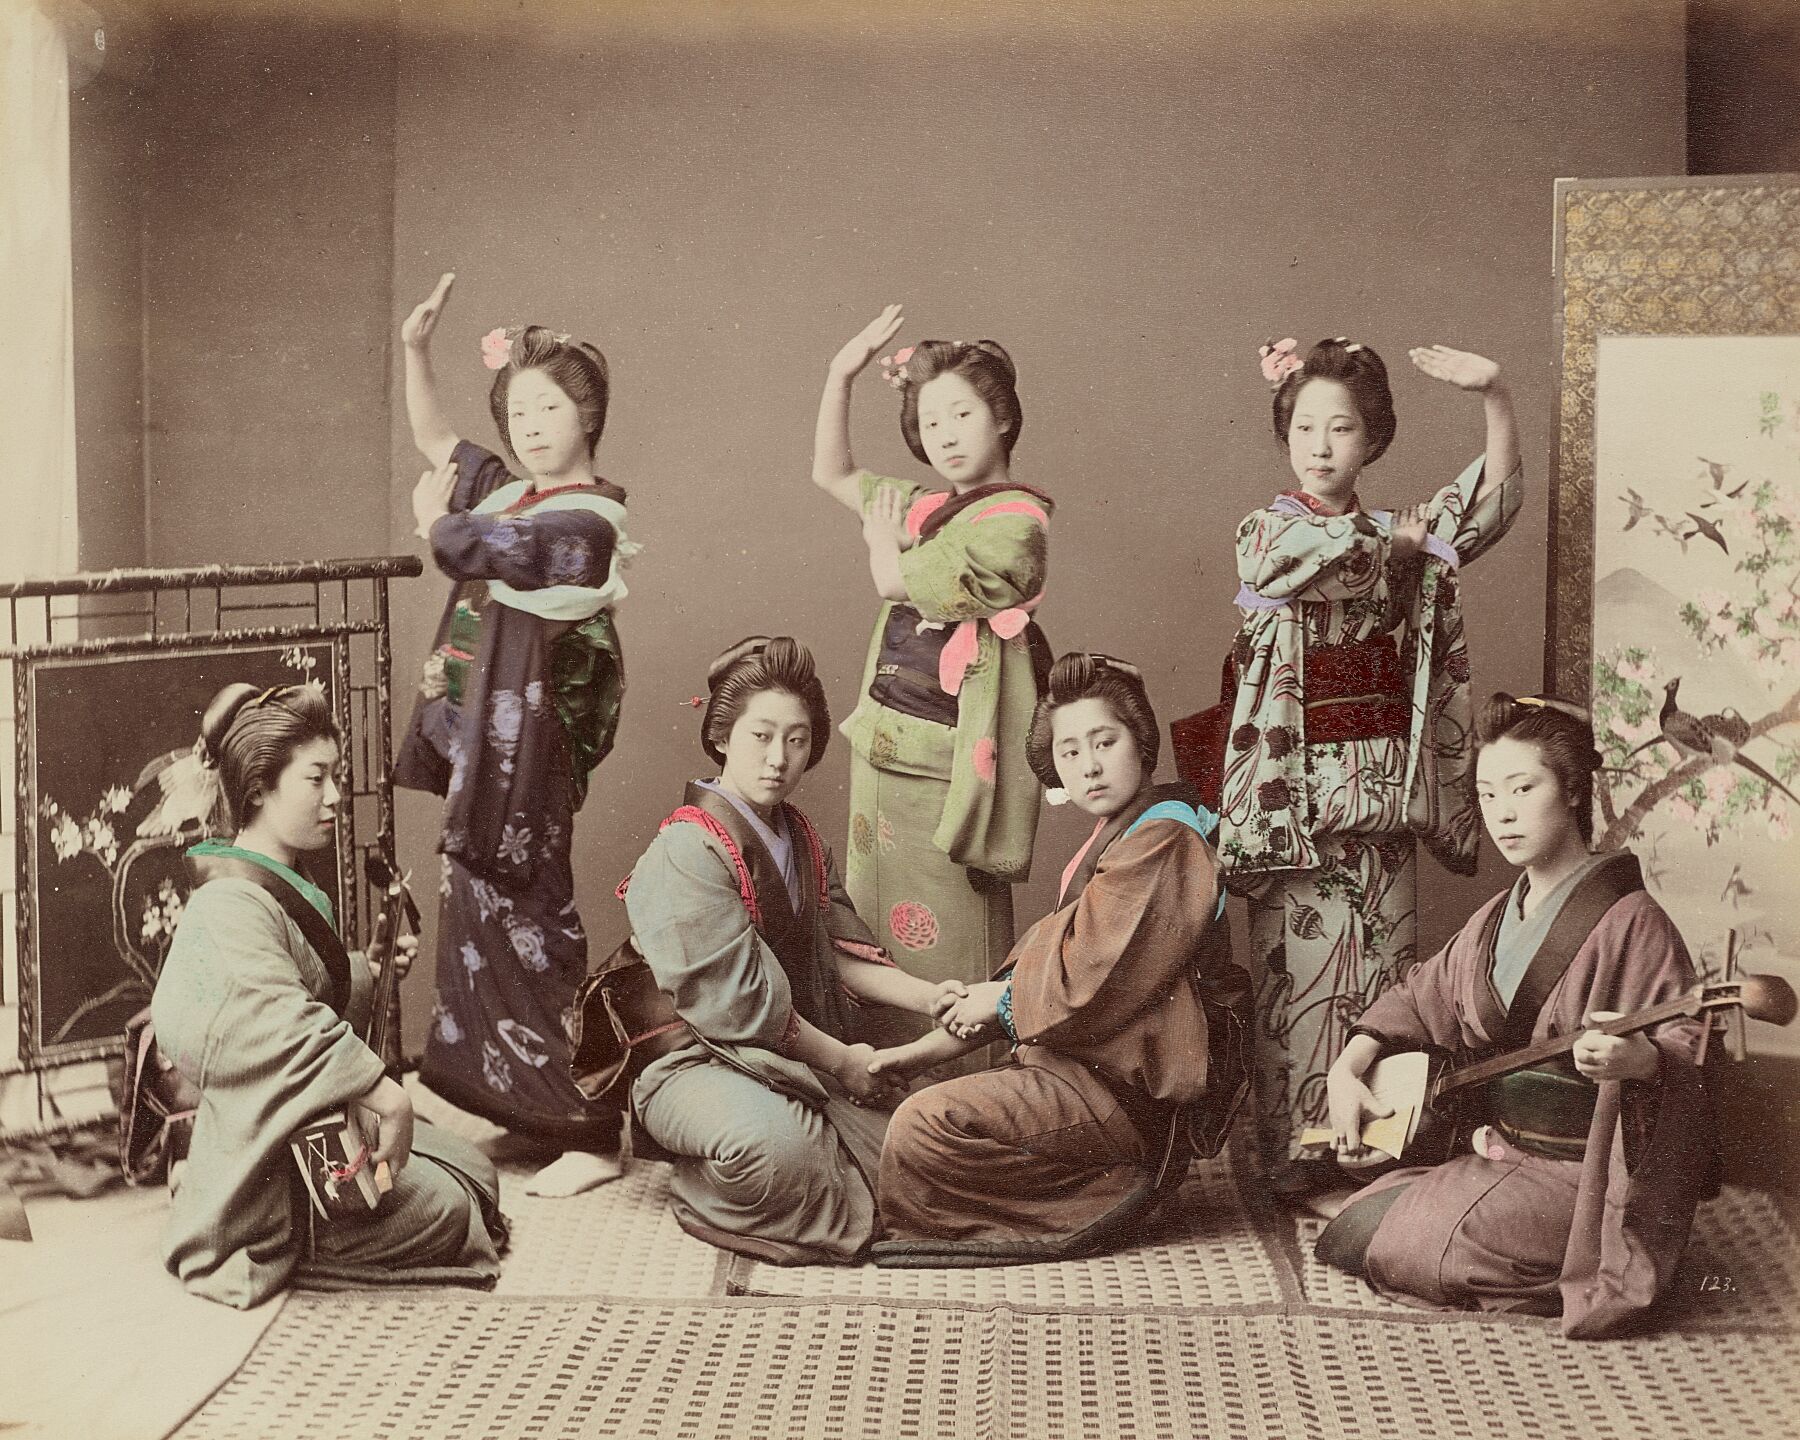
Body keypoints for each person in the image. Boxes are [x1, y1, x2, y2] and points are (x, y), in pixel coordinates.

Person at [1312, 693, 1719, 1339]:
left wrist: (1640, 1059)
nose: (1502, 812)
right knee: (1353, 1225)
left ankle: (1574, 1253)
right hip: (1502, 1150)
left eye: (1523, 788)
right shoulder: (1497, 915)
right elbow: (1418, 996)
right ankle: (1503, 1234)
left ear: (1574, 791)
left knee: (1405, 1242)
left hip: (1584, 1175)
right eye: (1487, 794)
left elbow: (1689, 1046)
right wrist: (1348, 1066)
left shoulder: (1633, 920)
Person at [1220, 336, 1523, 1197]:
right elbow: (1308, 557)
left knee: (1383, 979)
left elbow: (1486, 508)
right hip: (1292, 793)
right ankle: (1295, 1153)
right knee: (1297, 979)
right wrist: (1395, 539)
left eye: (1342, 428)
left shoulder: (1398, 535)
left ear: (1373, 438)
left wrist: (1496, 393)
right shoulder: (1271, 531)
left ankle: (1375, 1150)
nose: (1320, 446)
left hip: (1380, 787)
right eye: (1305, 427)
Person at [871, 653, 1252, 1262]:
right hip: (1077, 1076)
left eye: (1105, 742)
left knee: (923, 1128)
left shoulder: (1164, 839)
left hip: (1123, 1100)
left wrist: (998, 1001)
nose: (1089, 766)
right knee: (898, 1129)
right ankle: (1090, 1190)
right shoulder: (1121, 838)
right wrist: (911, 1057)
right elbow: (1036, 976)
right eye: (1069, 752)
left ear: (1141, 743)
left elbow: (1086, 980)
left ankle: (1113, 1194)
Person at [395, 272, 638, 1198]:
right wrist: (416, 350)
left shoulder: (588, 518)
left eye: (550, 407)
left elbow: (474, 547)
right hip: (484, 740)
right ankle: (517, 1108)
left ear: (589, 415)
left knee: (532, 916)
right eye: (519, 409)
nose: (531, 424)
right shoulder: (508, 492)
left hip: (533, 746)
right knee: (475, 907)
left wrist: (433, 523)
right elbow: (436, 442)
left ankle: (589, 1129)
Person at [152, 683, 505, 1308]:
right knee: (452, 1211)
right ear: (257, 790)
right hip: (267, 1162)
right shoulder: (226, 903)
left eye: (335, 776)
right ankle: (252, 1224)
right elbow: (270, 1021)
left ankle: (207, 1186)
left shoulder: (277, 881)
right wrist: (386, 1095)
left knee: (473, 1169)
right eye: (317, 778)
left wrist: (367, 970)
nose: (335, 796)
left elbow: (299, 993)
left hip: (306, 1122)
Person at [618, 637, 960, 1264]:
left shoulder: (799, 837)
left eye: (797, 740)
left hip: (789, 1049)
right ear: (722, 736)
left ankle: (819, 1135)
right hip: (695, 1057)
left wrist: (932, 997)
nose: (778, 758)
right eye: (761, 736)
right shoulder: (685, 850)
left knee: (931, 1127)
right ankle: (696, 1176)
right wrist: (845, 1063)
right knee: (780, 1155)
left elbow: (838, 951)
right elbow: (739, 1007)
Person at [810, 306, 1052, 1058]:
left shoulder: (1017, 524)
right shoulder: (928, 508)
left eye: (962, 413)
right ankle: (880, 1085)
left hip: (952, 758)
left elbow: (896, 581)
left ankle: (955, 1103)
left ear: (1002, 416)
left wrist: (882, 542)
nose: (944, 433)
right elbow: (832, 473)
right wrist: (840, 375)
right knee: (869, 925)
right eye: (929, 419)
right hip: (882, 738)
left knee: (951, 938)